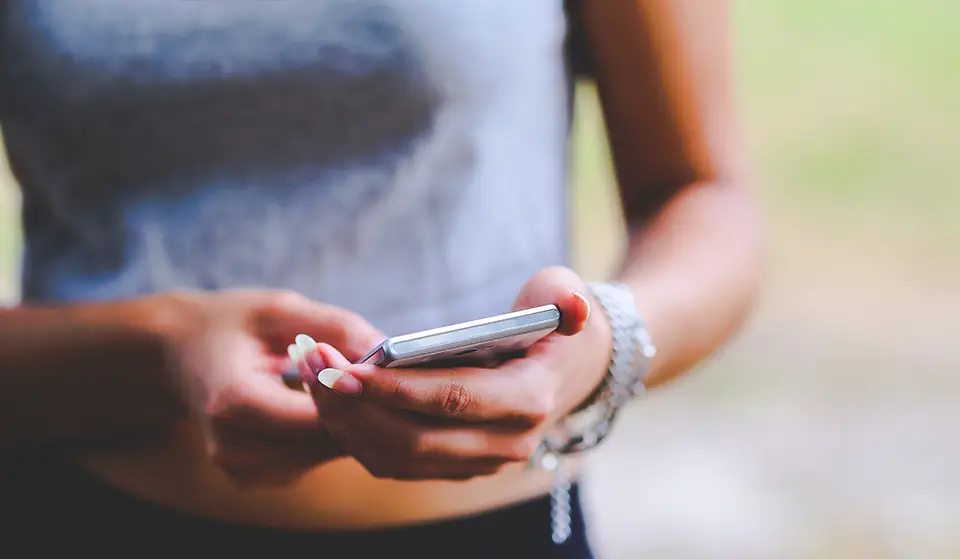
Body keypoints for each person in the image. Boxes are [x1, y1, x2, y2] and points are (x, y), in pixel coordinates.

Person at [0, 0, 761, 557]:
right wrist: (163, 350)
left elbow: (702, 197)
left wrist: (603, 346)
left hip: (497, 533)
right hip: (82, 516)